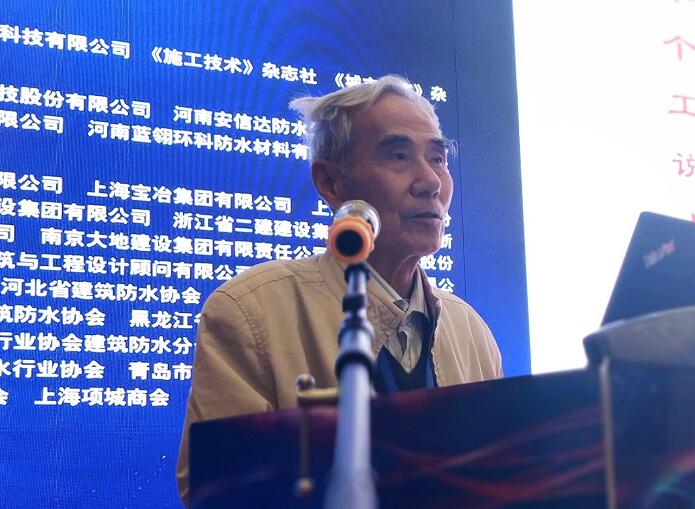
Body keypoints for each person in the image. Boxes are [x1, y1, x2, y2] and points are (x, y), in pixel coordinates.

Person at [176, 75, 502, 505]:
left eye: (438, 159)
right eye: (399, 156)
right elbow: (225, 495)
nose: (431, 182)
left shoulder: (470, 330)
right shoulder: (250, 311)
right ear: (331, 182)